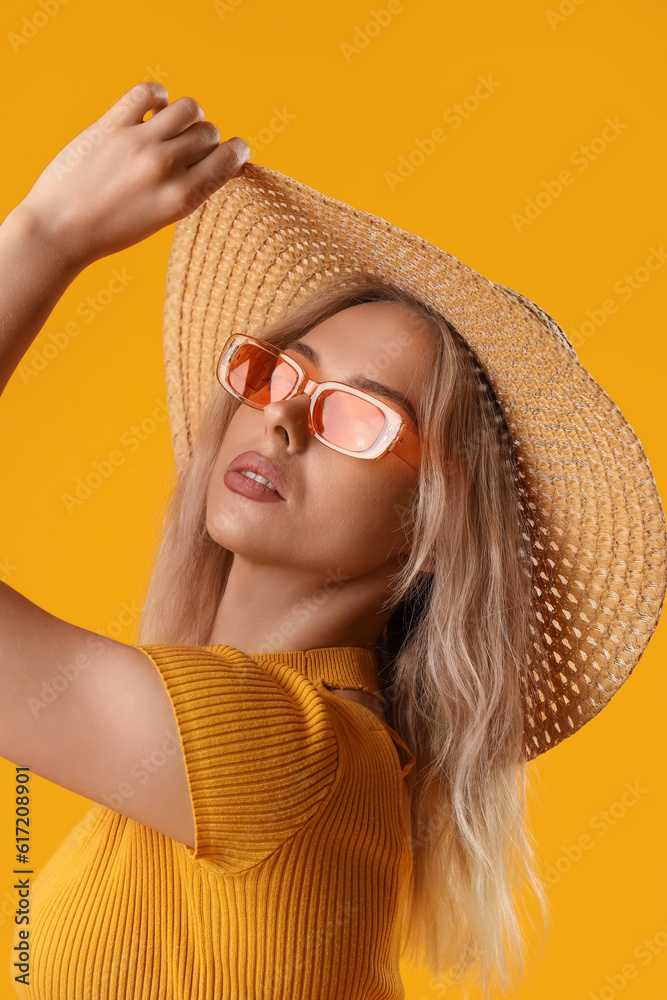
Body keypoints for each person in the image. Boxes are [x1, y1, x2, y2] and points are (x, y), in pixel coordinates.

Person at [2, 81, 665, 1000]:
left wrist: (42, 240)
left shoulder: (289, 748)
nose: (284, 425)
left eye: (359, 419)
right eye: (278, 376)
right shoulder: (271, 746)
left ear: (436, 535)